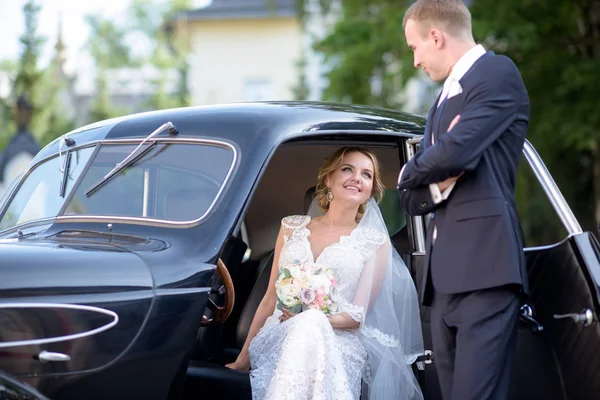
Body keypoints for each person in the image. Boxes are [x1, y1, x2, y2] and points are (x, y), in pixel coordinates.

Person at [398, 0, 530, 399]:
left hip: (486, 270)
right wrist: (432, 179)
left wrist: (410, 169)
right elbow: (411, 198)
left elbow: (455, 153)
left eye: (414, 48)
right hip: (442, 283)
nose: (416, 61)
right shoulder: (440, 103)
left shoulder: (497, 73)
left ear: (435, 37)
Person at [226, 146, 424, 400]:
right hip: (280, 332)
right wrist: (243, 358)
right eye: (347, 169)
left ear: (371, 190)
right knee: (306, 328)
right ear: (328, 178)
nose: (357, 178)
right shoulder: (291, 227)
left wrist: (309, 319)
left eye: (366, 175)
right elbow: (268, 299)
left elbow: (356, 316)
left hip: (339, 338)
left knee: (310, 324)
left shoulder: (375, 242)